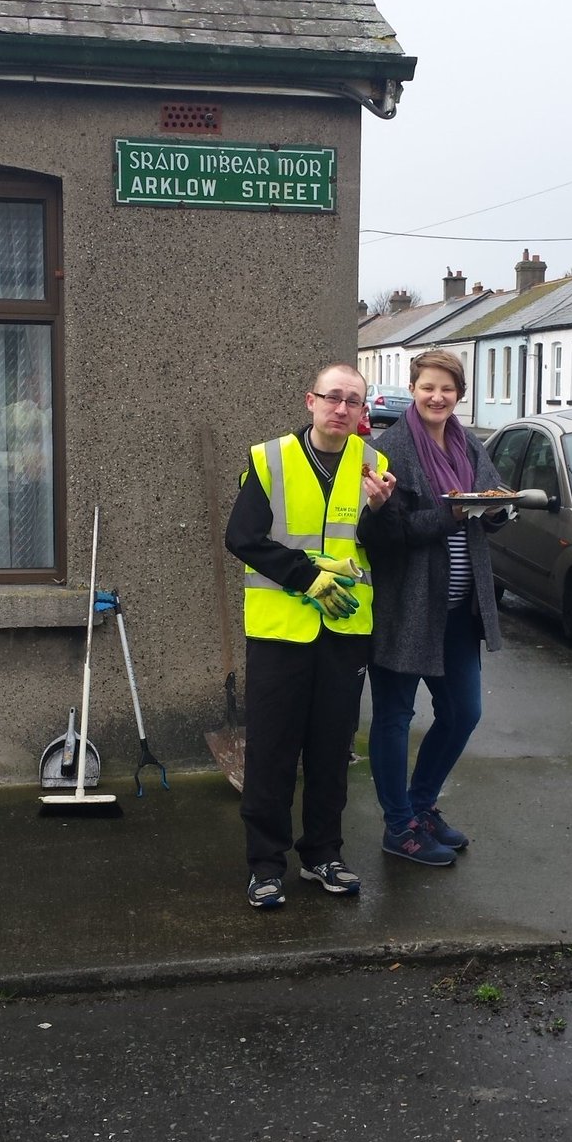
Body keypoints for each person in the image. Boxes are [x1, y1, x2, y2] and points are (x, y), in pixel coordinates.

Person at [225, 362, 395, 909]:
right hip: (281, 632)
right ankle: (266, 865)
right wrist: (308, 577)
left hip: (345, 631)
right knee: (272, 753)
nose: (341, 409)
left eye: (353, 401)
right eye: (333, 398)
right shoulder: (270, 458)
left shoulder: (375, 465)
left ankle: (323, 855)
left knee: (330, 751)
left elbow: (380, 549)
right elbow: (242, 537)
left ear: (362, 411)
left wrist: (379, 513)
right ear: (310, 401)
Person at [358, 349, 511, 866]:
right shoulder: (391, 449)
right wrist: (455, 512)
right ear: (413, 389)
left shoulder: (469, 443)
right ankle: (398, 826)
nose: (436, 396)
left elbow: (488, 510)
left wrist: (496, 511)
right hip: (405, 608)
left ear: (459, 394)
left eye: (447, 388)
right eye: (427, 387)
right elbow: (386, 535)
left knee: (463, 712)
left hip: (459, 610)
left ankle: (422, 807)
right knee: (395, 717)